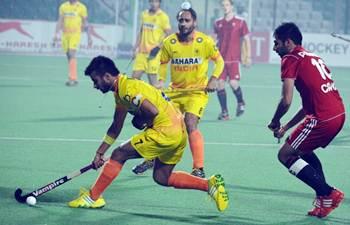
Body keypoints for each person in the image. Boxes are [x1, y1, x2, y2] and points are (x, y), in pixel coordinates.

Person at [67, 56, 229, 212]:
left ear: (107, 77)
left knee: (119, 154)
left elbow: (152, 111)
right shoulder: (122, 91)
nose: (95, 86)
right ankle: (209, 185)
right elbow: (116, 127)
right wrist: (99, 153)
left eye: (96, 81)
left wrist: (139, 120)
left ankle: (93, 198)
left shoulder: (127, 90)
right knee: (161, 177)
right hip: (178, 131)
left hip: (165, 131)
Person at [132, 6, 225, 178]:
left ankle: (198, 168)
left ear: (194, 22)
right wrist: (160, 81)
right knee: (159, 122)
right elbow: (163, 63)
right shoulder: (169, 42)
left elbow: (219, 61)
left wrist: (214, 78)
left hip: (196, 93)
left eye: (187, 20)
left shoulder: (204, 42)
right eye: (181, 20)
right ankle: (151, 158)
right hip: (174, 92)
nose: (183, 23)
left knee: (190, 123)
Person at [268, 22, 345, 218]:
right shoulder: (312, 56)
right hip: (337, 114)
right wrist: (286, 127)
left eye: (276, 43)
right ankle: (323, 200)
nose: (274, 48)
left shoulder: (290, 59)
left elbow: (286, 101)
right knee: (304, 149)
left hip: (322, 118)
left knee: (285, 155)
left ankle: (328, 193)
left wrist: (275, 120)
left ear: (288, 42)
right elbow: (309, 104)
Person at [213, 0, 251, 120]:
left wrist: (248, 56)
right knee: (219, 84)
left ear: (232, 6)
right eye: (223, 5)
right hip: (220, 60)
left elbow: (246, 40)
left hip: (234, 59)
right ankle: (224, 112)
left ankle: (241, 102)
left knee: (233, 84)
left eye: (227, 5)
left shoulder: (240, 22)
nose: (225, 7)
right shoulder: (218, 22)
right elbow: (215, 40)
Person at [132, 0, 171, 86]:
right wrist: (135, 48)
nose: (153, 4)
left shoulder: (163, 16)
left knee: (153, 82)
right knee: (134, 78)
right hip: (142, 52)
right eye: (152, 1)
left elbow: (168, 34)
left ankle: (159, 98)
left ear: (159, 3)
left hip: (154, 54)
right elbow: (141, 31)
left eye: (156, 2)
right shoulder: (144, 14)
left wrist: (158, 47)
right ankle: (141, 96)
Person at [53, 0, 92, 86]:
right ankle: (74, 77)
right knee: (69, 56)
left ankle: (72, 78)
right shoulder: (63, 6)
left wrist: (89, 37)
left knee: (71, 53)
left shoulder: (81, 7)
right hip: (65, 35)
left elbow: (86, 23)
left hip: (75, 34)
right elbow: (60, 21)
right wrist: (56, 34)